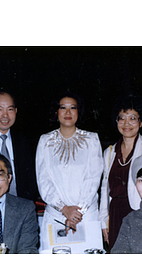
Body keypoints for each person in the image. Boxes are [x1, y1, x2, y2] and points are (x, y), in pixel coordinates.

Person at [36, 91, 103, 251]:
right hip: (56, 214)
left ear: (79, 112)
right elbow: (43, 180)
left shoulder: (92, 139)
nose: (68, 112)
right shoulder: (45, 141)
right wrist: (64, 209)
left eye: (73, 108)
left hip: (85, 215)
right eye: (63, 108)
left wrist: (77, 212)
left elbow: (93, 178)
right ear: (56, 112)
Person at [99, 94, 142, 252]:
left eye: (132, 118)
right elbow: (104, 190)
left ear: (141, 122)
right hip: (115, 217)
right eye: (121, 118)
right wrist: (103, 223)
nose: (126, 123)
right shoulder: (109, 152)